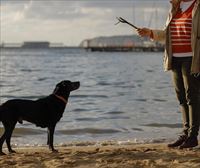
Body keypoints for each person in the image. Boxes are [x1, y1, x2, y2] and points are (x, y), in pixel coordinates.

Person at [137, 0, 200, 149]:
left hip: (192, 57)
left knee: (192, 96)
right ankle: (186, 134)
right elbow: (168, 34)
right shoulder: (175, 7)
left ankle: (193, 136)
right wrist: (150, 32)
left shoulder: (197, 6)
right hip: (174, 58)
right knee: (181, 98)